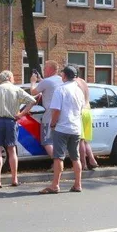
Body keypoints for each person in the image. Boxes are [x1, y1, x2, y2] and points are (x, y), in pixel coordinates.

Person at [0, 70, 35, 188]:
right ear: (10, 78)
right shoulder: (16, 89)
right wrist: (21, 114)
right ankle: (14, 179)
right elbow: (32, 101)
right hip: (12, 121)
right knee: (12, 150)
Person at [40, 66, 85, 194]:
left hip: (62, 127)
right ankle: (78, 184)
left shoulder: (60, 90)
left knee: (58, 157)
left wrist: (53, 124)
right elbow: (81, 109)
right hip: (75, 128)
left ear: (64, 76)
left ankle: (55, 185)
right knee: (75, 158)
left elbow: (56, 110)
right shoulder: (79, 91)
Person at [28, 60, 63, 157]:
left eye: (45, 68)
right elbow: (49, 85)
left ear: (50, 69)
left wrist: (33, 82)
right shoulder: (61, 80)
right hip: (61, 115)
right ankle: (58, 163)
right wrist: (40, 80)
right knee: (57, 141)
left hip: (49, 116)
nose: (43, 69)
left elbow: (33, 92)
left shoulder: (47, 82)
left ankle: (57, 162)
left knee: (46, 141)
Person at [75, 75, 99, 170]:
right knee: (86, 140)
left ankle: (83, 163)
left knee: (80, 139)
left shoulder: (74, 83)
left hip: (81, 111)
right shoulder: (83, 81)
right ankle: (92, 160)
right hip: (88, 111)